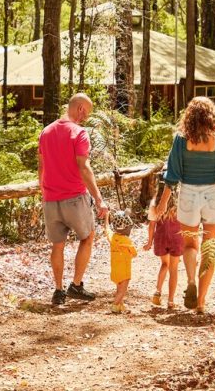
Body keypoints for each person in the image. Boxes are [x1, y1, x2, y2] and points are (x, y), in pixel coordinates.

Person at [153, 97, 215, 314]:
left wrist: (162, 204)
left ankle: (191, 280)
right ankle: (200, 302)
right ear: (212, 115)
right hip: (213, 195)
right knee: (210, 250)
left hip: (188, 194)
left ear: (189, 116)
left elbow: (172, 175)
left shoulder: (181, 140)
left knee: (190, 246)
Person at [39, 93, 109, 305]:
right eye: (86, 112)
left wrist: (44, 192)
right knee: (88, 237)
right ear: (80, 108)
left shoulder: (46, 131)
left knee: (57, 244)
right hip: (75, 197)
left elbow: (41, 167)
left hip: (50, 198)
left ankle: (58, 291)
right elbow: (84, 167)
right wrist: (98, 199)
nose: (86, 117)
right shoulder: (79, 133)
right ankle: (76, 285)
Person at [143, 177, 183, 310]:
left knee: (165, 264)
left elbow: (151, 225)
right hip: (177, 238)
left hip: (161, 238)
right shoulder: (179, 201)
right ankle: (170, 301)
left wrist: (149, 242)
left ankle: (158, 291)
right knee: (174, 269)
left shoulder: (155, 203)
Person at [105, 210, 137, 314]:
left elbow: (107, 229)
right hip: (125, 271)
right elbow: (134, 253)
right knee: (123, 291)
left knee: (119, 289)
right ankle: (115, 305)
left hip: (115, 271)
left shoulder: (112, 237)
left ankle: (120, 305)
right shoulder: (127, 241)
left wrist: (106, 217)